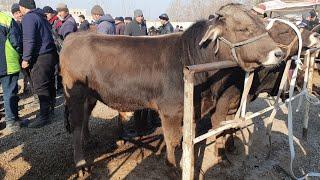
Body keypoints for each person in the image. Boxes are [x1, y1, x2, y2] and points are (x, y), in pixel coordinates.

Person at [19, 0, 58, 128]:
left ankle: (44, 116)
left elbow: (29, 40)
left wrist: (25, 58)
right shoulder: (41, 16)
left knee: (41, 86)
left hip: (40, 56)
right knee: (49, 83)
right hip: (50, 54)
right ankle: (50, 111)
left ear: (23, 7)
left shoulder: (29, 18)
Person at [0, 10, 23, 131]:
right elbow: (16, 41)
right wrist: (21, 54)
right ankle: (12, 121)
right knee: (9, 92)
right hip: (6, 63)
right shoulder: (6, 19)